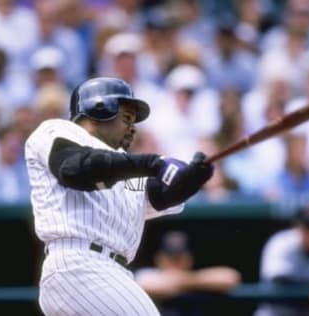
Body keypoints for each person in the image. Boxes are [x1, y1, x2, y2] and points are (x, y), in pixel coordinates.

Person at [24, 77, 214, 315]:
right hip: (80, 265)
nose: (133, 128)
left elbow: (161, 194)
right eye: (127, 117)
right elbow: (76, 169)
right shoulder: (60, 131)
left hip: (107, 271)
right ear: (99, 108)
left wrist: (191, 180)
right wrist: (154, 164)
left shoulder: (126, 170)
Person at [135, 230, 241, 315]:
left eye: (179, 257)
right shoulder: (148, 275)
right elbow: (145, 282)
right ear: (158, 258)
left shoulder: (198, 277)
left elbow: (230, 277)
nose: (175, 262)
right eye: (170, 257)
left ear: (189, 258)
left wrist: (183, 281)